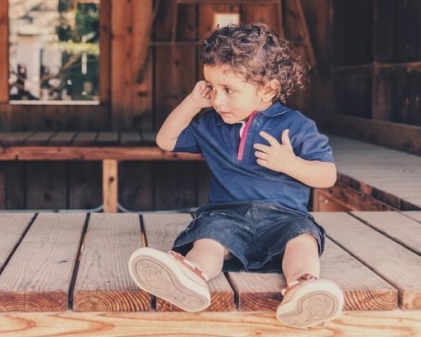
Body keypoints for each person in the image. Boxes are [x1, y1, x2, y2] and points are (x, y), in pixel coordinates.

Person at [128, 23, 344, 329]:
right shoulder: (211, 125)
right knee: (210, 240)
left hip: (284, 217)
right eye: (211, 87)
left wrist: (290, 163)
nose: (217, 100)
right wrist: (192, 103)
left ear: (267, 89)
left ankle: (303, 287)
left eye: (228, 90)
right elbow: (166, 141)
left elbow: (327, 176)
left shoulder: (297, 126)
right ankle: (191, 276)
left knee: (303, 239)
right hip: (227, 215)